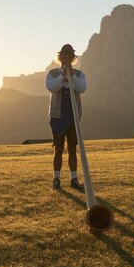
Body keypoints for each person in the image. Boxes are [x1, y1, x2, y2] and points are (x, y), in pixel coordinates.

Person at [45, 44, 87, 190]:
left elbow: (81, 88)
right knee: (58, 148)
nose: (65, 59)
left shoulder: (79, 74)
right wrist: (63, 74)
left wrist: (71, 74)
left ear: (73, 58)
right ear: (60, 57)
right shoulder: (53, 73)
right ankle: (56, 178)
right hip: (57, 116)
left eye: (68, 57)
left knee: (72, 148)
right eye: (63, 56)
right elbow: (52, 87)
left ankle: (73, 179)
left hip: (73, 116)